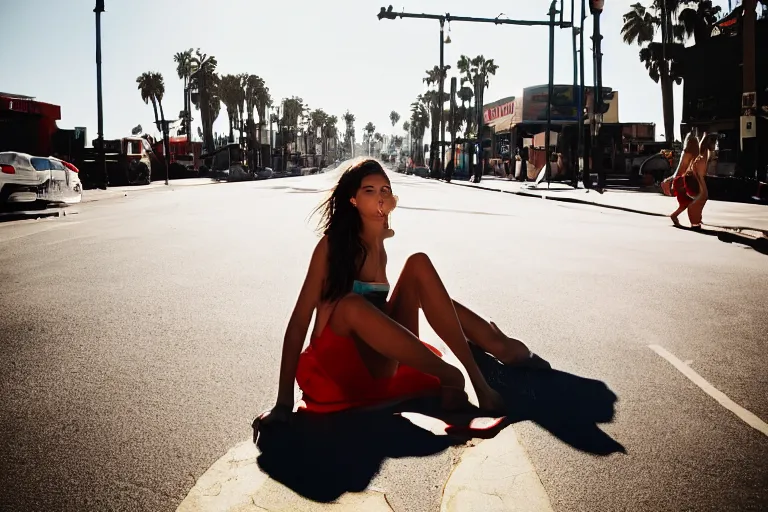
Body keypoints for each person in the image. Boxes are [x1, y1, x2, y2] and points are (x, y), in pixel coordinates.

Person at [260, 159, 536, 425]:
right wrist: (283, 402)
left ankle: (484, 366)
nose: (379, 198)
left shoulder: (380, 241)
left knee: (419, 263)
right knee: (351, 305)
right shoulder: (332, 246)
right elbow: (299, 321)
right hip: (340, 367)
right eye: (369, 191)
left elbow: (399, 305)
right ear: (353, 199)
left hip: (382, 364)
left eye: (385, 190)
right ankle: (453, 373)